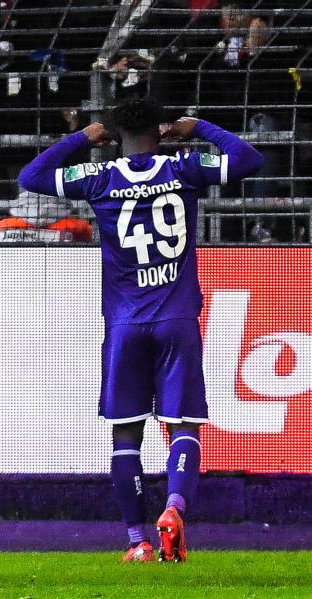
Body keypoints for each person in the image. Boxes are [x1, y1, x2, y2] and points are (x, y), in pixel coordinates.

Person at [18, 96, 263, 562]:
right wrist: (199, 127)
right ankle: (174, 508)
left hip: (125, 323)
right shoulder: (184, 169)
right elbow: (249, 159)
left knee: (126, 434)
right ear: (162, 130)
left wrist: (81, 137)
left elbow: (30, 177)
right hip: (177, 319)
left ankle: (138, 542)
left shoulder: (99, 177)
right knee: (183, 423)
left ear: (113, 135)